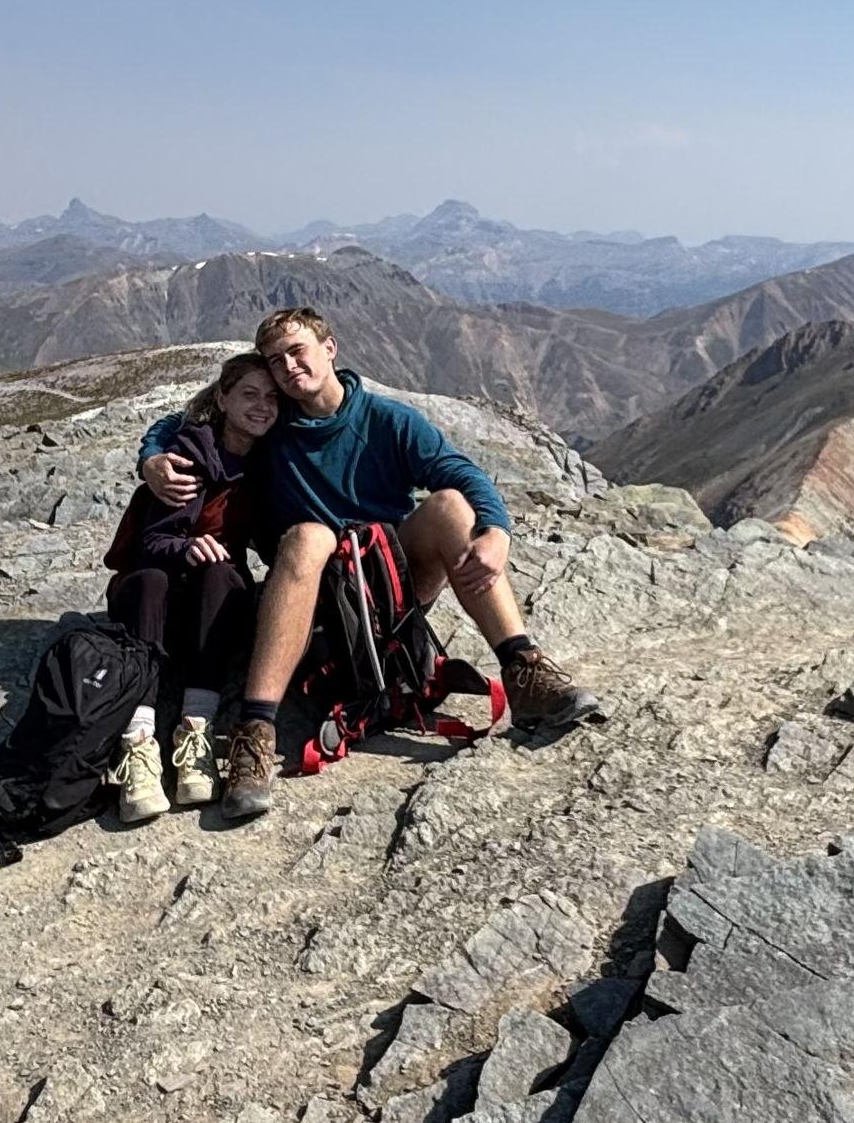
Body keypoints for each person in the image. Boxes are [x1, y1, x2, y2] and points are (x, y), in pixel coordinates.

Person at [139, 305, 601, 821]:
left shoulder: (387, 420)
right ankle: (256, 730)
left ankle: (523, 669)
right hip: (314, 598)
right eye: (275, 360)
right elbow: (186, 420)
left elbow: (460, 472)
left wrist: (496, 532)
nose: (288, 367)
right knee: (309, 536)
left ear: (329, 348)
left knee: (450, 506)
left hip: (388, 587)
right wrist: (152, 458)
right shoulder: (272, 419)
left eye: (298, 351)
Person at [101, 351, 279, 823]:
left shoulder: (268, 461)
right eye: (249, 394)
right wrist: (186, 547)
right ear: (222, 399)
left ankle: (195, 728)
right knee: (153, 579)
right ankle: (138, 742)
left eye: (271, 398)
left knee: (223, 573)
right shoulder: (188, 457)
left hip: (209, 607)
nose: (262, 406)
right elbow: (151, 542)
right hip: (152, 601)